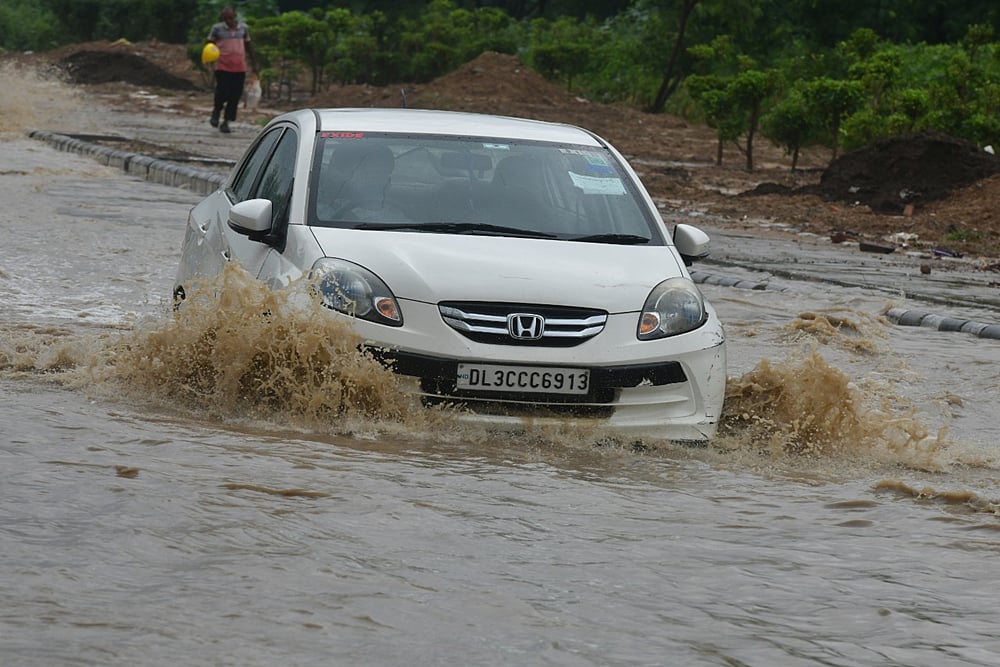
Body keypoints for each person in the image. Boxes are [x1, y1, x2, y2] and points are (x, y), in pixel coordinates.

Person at [207, 6, 258, 134]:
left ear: (235, 16)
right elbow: (209, 45)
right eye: (226, 18)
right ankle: (216, 111)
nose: (229, 21)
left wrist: (254, 64)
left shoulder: (243, 28)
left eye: (231, 17)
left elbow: (248, 46)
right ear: (223, 19)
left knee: (234, 96)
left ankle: (226, 122)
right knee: (222, 92)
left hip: (239, 68)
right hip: (223, 67)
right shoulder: (217, 29)